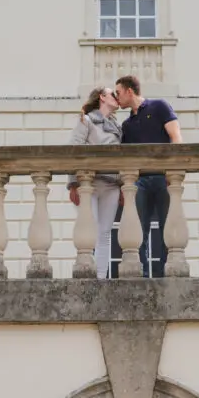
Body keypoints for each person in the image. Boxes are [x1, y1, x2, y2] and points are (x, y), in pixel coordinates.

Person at [113, 75, 182, 278]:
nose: (117, 98)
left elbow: (176, 137)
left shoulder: (160, 106)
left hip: (163, 178)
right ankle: (141, 275)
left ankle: (163, 275)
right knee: (138, 230)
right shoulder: (126, 125)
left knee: (166, 228)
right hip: (139, 182)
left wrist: (174, 171)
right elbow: (124, 159)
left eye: (118, 93)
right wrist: (121, 187)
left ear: (129, 91)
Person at [66, 87, 123, 279]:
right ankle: (85, 273)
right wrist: (73, 183)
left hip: (112, 184)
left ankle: (100, 277)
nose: (116, 97)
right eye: (112, 94)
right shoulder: (86, 120)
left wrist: (123, 186)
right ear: (102, 97)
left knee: (105, 233)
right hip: (89, 183)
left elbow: (122, 159)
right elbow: (74, 150)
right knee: (89, 231)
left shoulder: (117, 126)